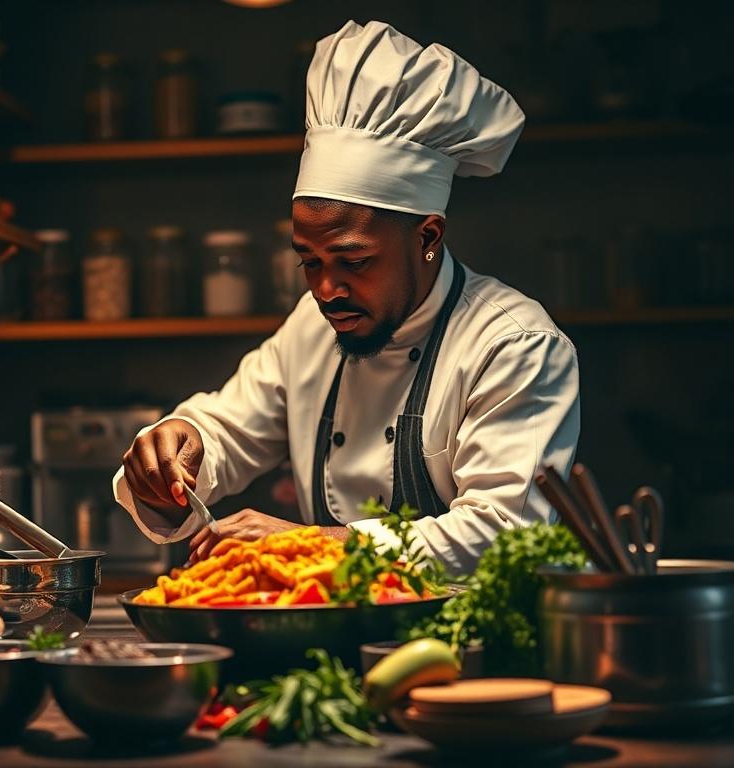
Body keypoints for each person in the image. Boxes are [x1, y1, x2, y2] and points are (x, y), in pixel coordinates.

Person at [113, 20, 580, 575]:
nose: (326, 291)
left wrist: (313, 544)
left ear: (428, 237)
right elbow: (228, 429)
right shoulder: (313, 327)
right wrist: (177, 449)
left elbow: (501, 536)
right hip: (326, 642)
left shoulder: (515, 345)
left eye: (353, 262)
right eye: (309, 261)